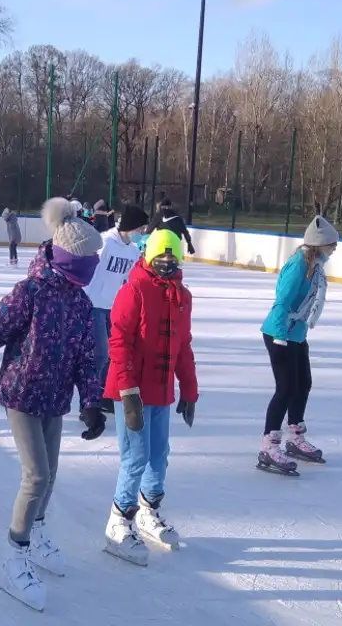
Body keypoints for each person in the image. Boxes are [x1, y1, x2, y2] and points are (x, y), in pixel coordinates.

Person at [0, 197, 106, 612]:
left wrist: (92, 403)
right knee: (36, 476)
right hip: (22, 393)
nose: (93, 267)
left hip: (55, 398)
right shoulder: (29, 292)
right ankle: (15, 556)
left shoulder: (81, 303)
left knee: (49, 476)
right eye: (88, 260)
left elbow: (87, 357)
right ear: (69, 258)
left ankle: (40, 532)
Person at [102, 228, 198, 565]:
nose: (167, 264)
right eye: (161, 258)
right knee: (136, 456)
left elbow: (183, 345)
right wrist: (128, 394)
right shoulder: (135, 290)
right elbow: (119, 342)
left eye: (172, 258)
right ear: (148, 256)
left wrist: (189, 389)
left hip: (161, 390)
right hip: (133, 390)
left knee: (159, 454)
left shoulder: (182, 296)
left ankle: (148, 511)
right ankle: (118, 522)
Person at [257, 215, 339, 476]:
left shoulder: (314, 266)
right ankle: (268, 445)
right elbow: (282, 301)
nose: (334, 250)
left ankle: (294, 436)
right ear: (319, 245)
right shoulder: (298, 267)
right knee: (285, 388)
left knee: (303, 384)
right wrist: (281, 337)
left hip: (296, 335)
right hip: (278, 334)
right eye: (331, 245)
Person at [83, 204, 149, 414]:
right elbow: (86, 268)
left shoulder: (132, 251)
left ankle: (104, 394)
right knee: (100, 354)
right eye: (140, 229)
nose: (142, 234)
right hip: (93, 305)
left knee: (116, 354)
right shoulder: (105, 242)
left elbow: (131, 279)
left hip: (114, 308)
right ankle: (89, 401)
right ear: (131, 227)